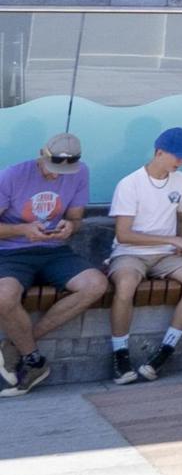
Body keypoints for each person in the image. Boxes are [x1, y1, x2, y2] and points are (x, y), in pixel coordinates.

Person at [0, 132, 105, 395]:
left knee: (96, 284)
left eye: (64, 171)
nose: (56, 176)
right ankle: (34, 360)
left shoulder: (80, 173)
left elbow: (76, 219)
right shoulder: (12, 175)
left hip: (54, 249)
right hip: (12, 251)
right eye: (52, 169)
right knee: (4, 296)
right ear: (41, 155)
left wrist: (70, 226)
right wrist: (22, 231)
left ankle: (20, 346)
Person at [103, 130, 182, 384]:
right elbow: (124, 235)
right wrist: (173, 239)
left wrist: (181, 241)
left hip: (166, 255)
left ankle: (166, 350)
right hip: (131, 254)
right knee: (126, 285)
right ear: (159, 152)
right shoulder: (130, 184)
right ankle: (120, 354)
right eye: (178, 156)